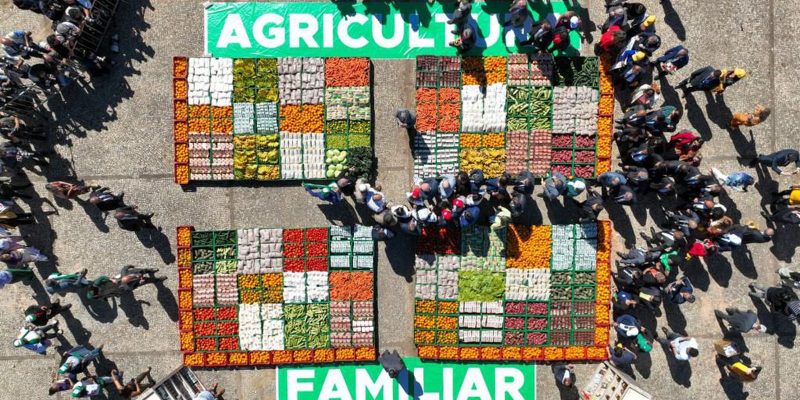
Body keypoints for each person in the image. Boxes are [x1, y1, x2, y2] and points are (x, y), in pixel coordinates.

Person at [676, 67, 746, 95]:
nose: (711, 75)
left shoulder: (720, 81)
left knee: (693, 89)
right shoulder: (709, 69)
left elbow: (716, 86)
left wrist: (706, 89)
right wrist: (692, 76)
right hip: (695, 80)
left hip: (702, 86)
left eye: (713, 76)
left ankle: (687, 91)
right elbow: (697, 72)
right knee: (686, 81)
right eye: (711, 74)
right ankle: (681, 85)